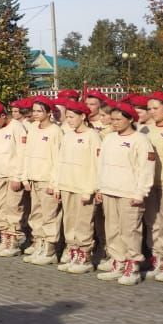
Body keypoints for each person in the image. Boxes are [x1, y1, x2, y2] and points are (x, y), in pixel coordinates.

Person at [95, 102, 155, 285]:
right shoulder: (109, 138)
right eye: (112, 119)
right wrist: (100, 187)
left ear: (130, 119)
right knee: (112, 229)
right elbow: (101, 165)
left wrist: (140, 193)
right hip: (109, 190)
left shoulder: (141, 140)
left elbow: (146, 169)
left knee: (130, 231)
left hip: (129, 193)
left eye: (118, 119)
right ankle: (118, 262)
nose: (114, 122)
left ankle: (132, 266)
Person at [54, 100, 101, 274]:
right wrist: (58, 185)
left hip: (83, 188)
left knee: (83, 223)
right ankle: (73, 252)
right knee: (70, 222)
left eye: (72, 117)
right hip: (67, 185)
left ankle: (85, 256)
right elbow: (60, 161)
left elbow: (96, 165)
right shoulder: (68, 135)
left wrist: (90, 189)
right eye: (67, 117)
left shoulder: (92, 136)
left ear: (83, 116)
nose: (69, 120)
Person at [20, 97, 64, 266]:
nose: (36, 114)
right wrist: (25, 177)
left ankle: (50, 249)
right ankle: (39, 243)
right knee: (36, 214)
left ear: (49, 112)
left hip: (47, 180)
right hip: (33, 178)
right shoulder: (32, 129)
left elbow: (58, 159)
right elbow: (27, 154)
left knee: (49, 215)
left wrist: (54, 183)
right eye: (35, 111)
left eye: (40, 111)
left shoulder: (55, 131)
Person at [0, 100, 27, 256]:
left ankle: (13, 242)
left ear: (3, 115)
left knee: (13, 208)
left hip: (12, 175)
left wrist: (18, 177)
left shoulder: (16, 127)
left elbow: (22, 153)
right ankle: (4, 239)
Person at [143, 91, 163, 281]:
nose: (152, 112)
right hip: (151, 183)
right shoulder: (145, 130)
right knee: (152, 222)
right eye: (149, 108)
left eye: (156, 108)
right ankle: (157, 257)